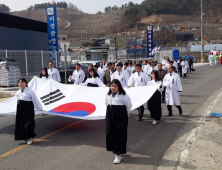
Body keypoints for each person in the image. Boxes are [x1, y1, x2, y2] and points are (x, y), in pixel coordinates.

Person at [105, 79, 132, 164]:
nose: (113, 88)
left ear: (119, 87)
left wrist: (124, 116)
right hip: (110, 118)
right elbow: (106, 105)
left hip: (120, 119)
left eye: (115, 86)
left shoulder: (124, 96)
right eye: (112, 86)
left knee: (120, 135)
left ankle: (118, 154)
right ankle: (115, 150)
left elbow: (129, 106)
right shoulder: (108, 96)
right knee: (110, 133)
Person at [15, 78, 42, 145]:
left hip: (28, 109)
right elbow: (17, 101)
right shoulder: (18, 92)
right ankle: (24, 137)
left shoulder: (30, 91)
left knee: (29, 123)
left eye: (22, 82)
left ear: (26, 83)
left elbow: (35, 100)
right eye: (19, 83)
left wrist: (39, 107)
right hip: (20, 109)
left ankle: (30, 137)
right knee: (21, 123)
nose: (21, 84)